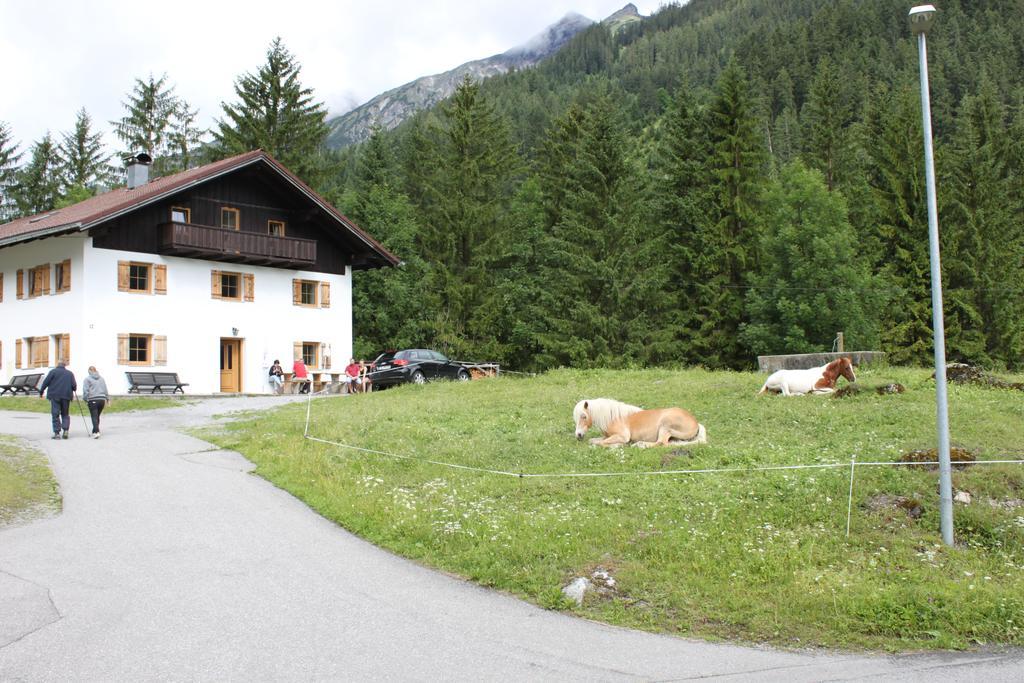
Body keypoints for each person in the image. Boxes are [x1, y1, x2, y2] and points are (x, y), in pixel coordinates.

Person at [39, 360, 77, 439]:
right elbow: (74, 386)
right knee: (65, 414)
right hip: (66, 396)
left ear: (57, 364)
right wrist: (73, 389)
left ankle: (57, 433)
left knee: (55, 414)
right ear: (64, 365)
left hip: (54, 395)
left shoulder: (53, 372)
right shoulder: (70, 374)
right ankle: (65, 430)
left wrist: (41, 392)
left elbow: (45, 382)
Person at [82, 366, 109, 439]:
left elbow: (86, 390)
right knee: (97, 416)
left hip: (93, 399)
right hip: (102, 400)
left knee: (94, 416)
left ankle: (96, 432)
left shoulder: (87, 379)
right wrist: (107, 398)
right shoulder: (102, 379)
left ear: (89, 371)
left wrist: (85, 399)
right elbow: (105, 389)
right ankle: (95, 430)